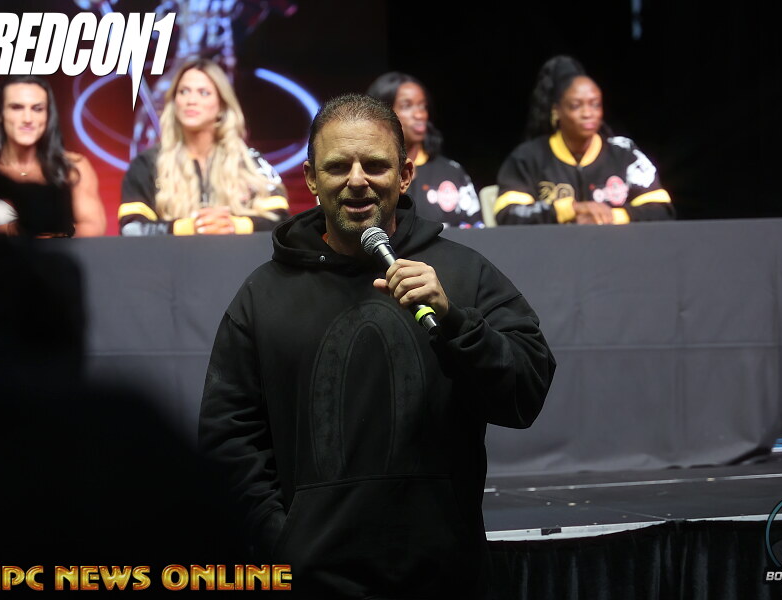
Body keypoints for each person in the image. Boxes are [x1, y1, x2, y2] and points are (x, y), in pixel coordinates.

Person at [198, 94, 555, 598]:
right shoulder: (263, 295)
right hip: (312, 581)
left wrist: (455, 320)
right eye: (337, 166)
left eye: (375, 165)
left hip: (446, 577)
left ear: (405, 175)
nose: (357, 180)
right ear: (311, 179)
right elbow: (229, 440)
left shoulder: (462, 274)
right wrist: (283, 543)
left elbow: (525, 394)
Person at [495, 55, 674, 225]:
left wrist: (611, 216)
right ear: (556, 110)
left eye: (595, 104)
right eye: (576, 106)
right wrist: (570, 210)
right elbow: (508, 215)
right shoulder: (528, 157)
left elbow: (662, 210)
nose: (588, 113)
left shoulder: (624, 154)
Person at [119, 58, 289, 236]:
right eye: (184, 91)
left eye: (204, 93)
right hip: (172, 254)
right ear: (174, 101)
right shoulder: (146, 164)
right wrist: (189, 227)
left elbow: (283, 223)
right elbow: (131, 229)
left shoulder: (250, 162)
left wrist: (232, 225)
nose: (191, 100)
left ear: (221, 105)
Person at [0, 75, 106, 237]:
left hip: (59, 253)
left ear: (48, 115)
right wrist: (13, 230)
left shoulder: (73, 167)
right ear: (0, 114)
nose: (28, 119)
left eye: (37, 109)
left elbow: (94, 227)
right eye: (17, 107)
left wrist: (58, 232)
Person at [367, 72, 484, 229]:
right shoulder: (367, 175)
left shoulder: (452, 172)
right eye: (407, 106)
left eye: (423, 106)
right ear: (381, 114)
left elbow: (476, 230)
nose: (420, 114)